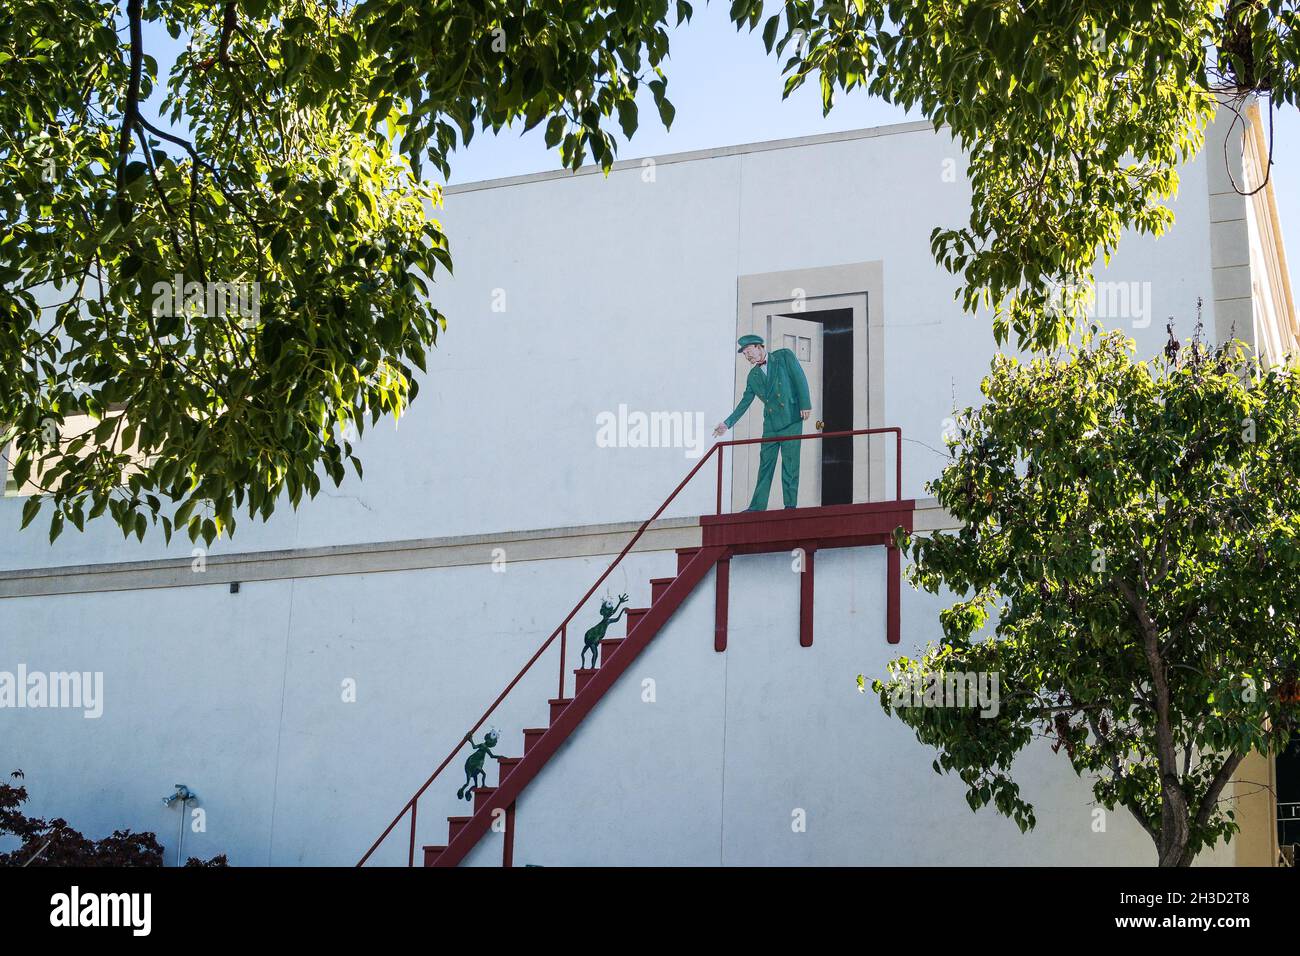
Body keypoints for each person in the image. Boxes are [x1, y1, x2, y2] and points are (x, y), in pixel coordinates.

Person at [713, 334, 812, 511]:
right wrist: (727, 424)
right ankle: (757, 507)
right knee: (765, 465)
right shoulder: (753, 376)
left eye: (749, 351)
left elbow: (800, 378)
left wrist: (805, 404)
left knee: (790, 465)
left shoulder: (784, 356)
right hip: (771, 426)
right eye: (744, 354)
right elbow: (745, 403)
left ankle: (790, 506)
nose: (747, 356)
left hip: (791, 419)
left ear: (759, 347)